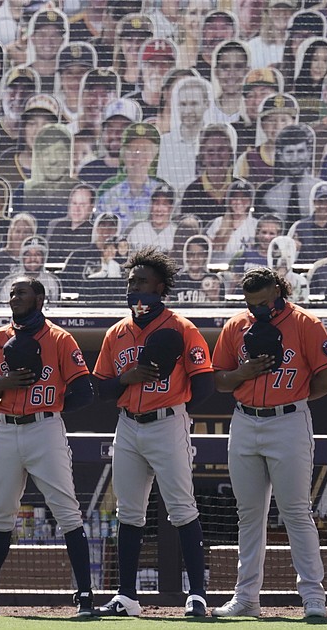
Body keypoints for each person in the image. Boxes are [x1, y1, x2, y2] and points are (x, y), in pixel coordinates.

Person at [0, 276, 96, 617]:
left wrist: (52, 406)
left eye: (22, 292)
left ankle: (85, 598)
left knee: (67, 512)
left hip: (45, 429)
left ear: (40, 299)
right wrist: (3, 384)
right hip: (6, 430)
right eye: (12, 292)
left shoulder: (59, 338)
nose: (15, 297)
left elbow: (85, 392)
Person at [91, 248, 215, 617]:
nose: (135, 287)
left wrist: (175, 411)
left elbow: (204, 383)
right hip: (128, 424)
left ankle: (197, 594)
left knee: (181, 508)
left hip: (167, 421)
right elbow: (101, 387)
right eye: (131, 281)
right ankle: (127, 596)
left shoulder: (181, 327)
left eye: (142, 281)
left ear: (160, 287)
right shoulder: (117, 332)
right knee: (129, 512)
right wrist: (125, 380)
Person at [211, 267, 327, 619]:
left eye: (265, 301)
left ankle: (313, 597)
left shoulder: (305, 323)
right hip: (245, 419)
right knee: (249, 515)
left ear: (279, 291)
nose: (260, 309)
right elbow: (218, 379)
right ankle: (246, 598)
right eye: (253, 303)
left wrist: (294, 398)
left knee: (297, 511)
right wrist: (243, 374)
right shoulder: (236, 325)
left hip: (288, 420)